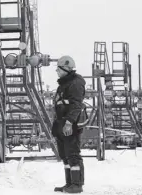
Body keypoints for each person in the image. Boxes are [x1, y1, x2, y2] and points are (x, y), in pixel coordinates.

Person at [52, 56, 88, 193]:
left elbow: (76, 105)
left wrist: (68, 123)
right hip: (61, 123)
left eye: (58, 69)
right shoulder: (64, 83)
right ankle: (69, 184)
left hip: (70, 124)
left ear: (66, 69)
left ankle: (77, 184)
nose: (56, 71)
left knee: (73, 154)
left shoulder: (76, 83)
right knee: (65, 155)